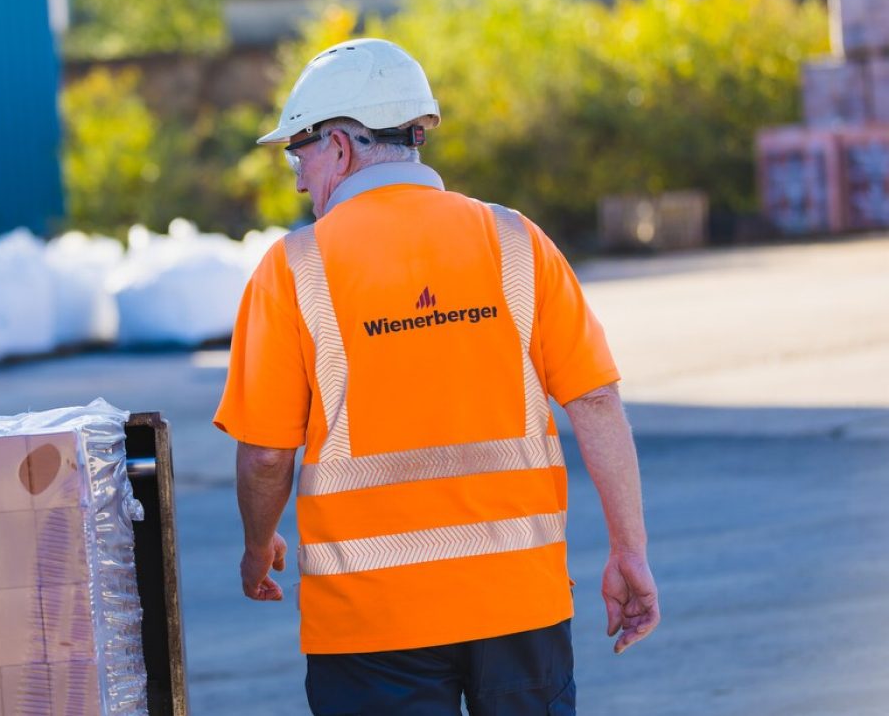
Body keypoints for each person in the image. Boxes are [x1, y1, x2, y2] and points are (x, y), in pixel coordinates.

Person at [213, 38, 659, 715]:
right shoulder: (516, 240)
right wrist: (630, 549)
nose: (298, 176)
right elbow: (595, 400)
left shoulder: (294, 268)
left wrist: (255, 544)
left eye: (297, 150)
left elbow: (269, 453)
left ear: (340, 145)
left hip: (371, 618)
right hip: (519, 602)